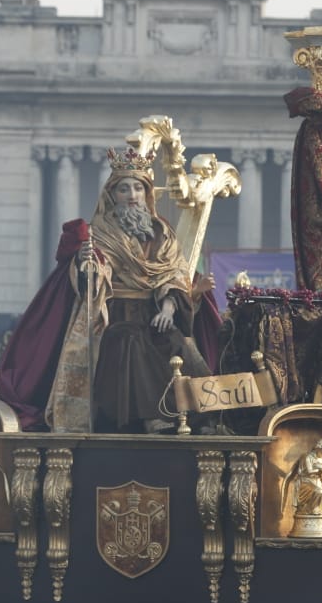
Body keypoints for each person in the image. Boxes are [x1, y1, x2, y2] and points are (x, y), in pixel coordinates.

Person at [31, 143, 210, 433]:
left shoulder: (162, 232)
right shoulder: (100, 231)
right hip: (113, 311)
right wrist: (89, 265)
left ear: (146, 193)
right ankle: (150, 416)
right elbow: (96, 269)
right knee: (128, 340)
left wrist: (168, 306)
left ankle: (191, 415)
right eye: (124, 189)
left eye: (137, 189)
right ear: (112, 195)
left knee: (176, 341)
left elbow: (173, 271)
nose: (132, 196)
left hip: (154, 309)